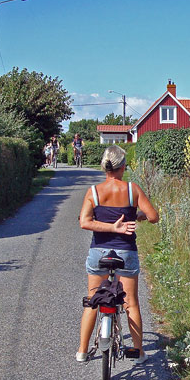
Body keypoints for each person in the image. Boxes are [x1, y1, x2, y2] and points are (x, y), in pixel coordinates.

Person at [76, 145, 159, 363]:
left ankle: (82, 351)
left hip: (99, 252)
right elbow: (153, 217)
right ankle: (138, 352)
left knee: (93, 299)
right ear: (122, 166)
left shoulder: (93, 192)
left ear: (105, 166)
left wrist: (110, 227)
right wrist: (135, 217)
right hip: (126, 253)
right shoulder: (133, 190)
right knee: (130, 302)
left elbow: (85, 222)